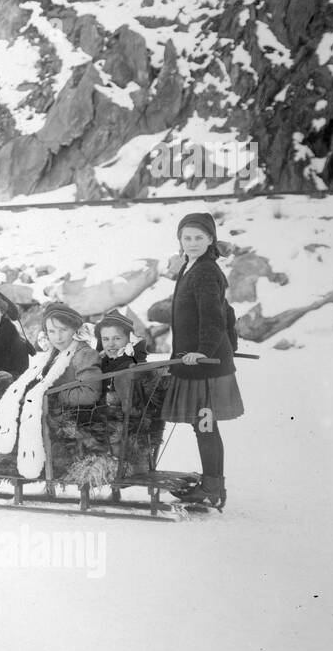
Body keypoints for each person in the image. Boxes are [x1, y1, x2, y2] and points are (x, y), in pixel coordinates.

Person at [163, 212, 243, 509]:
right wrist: (228, 345)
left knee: (205, 425)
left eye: (199, 237)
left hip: (205, 366)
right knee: (203, 425)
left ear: (211, 239)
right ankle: (211, 484)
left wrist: (207, 351)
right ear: (180, 241)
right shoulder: (191, 266)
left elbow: (214, 316)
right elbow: (228, 310)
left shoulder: (206, 270)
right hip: (196, 361)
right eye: (187, 238)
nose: (192, 243)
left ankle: (212, 488)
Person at [0, 302, 102, 478]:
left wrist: (53, 395)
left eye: (63, 330)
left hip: (70, 418)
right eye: (52, 331)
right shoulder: (53, 354)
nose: (57, 337)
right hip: (51, 411)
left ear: (75, 329)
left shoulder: (83, 354)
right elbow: (42, 381)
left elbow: (89, 393)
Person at [94, 309, 149, 411]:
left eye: (117, 338)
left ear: (129, 339)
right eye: (105, 339)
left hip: (131, 422)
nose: (111, 344)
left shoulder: (135, 365)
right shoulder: (100, 365)